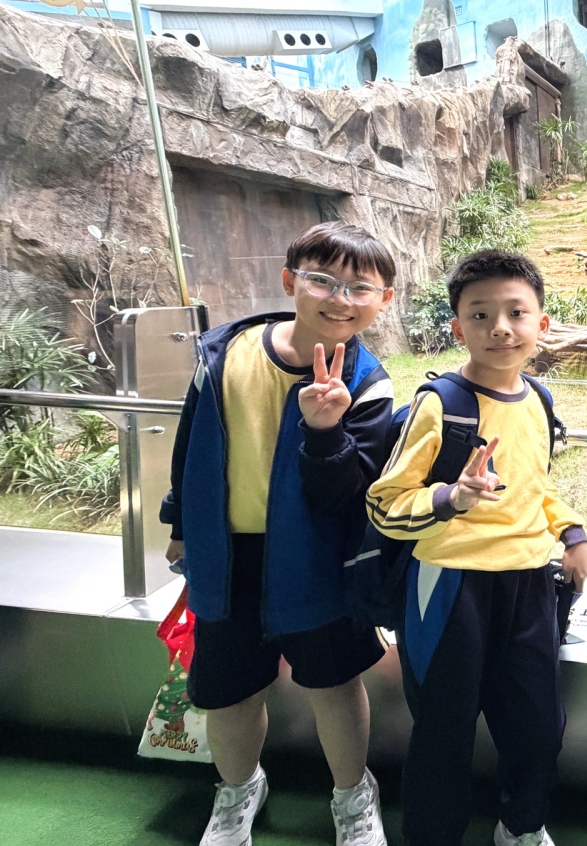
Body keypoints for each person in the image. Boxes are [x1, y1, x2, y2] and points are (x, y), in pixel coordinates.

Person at [161, 222, 399, 846]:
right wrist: (180, 523)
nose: (339, 299)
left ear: (383, 300)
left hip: (319, 557)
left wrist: (325, 429)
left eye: (360, 287)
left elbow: (348, 495)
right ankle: (238, 789)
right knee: (228, 692)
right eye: (322, 280)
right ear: (290, 280)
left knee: (334, 685)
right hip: (227, 557)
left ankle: (353, 795)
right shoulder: (224, 355)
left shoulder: (369, 383)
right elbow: (190, 446)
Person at [367, 249, 587, 846]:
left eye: (517, 312)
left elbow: (534, 484)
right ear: (457, 327)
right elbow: (384, 503)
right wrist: (451, 497)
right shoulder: (441, 403)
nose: (500, 328)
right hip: (449, 588)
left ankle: (521, 826)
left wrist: (570, 532)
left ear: (542, 324)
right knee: (443, 731)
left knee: (538, 725)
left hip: (530, 585)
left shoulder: (538, 399)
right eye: (481, 314)